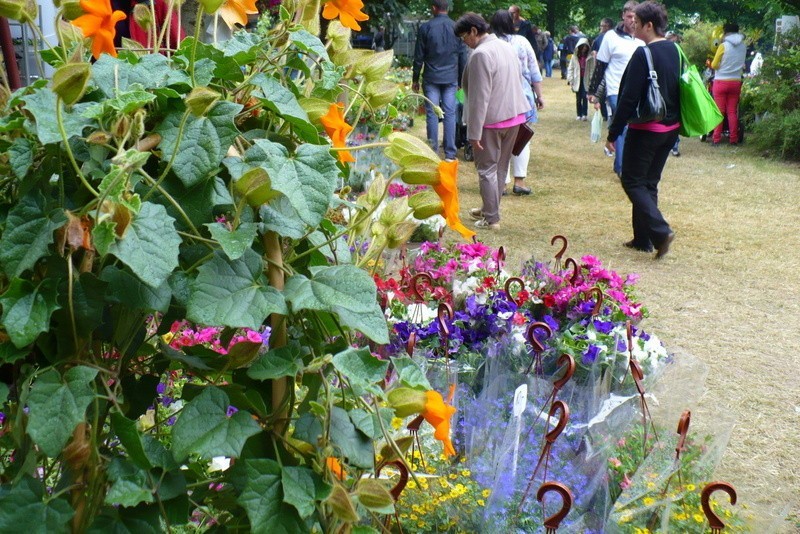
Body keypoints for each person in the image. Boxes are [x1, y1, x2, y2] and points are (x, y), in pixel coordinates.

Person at [605, 0, 679, 260]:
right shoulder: (675, 50)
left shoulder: (643, 53)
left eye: (636, 23)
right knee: (648, 182)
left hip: (647, 128)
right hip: (670, 128)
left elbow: (627, 98)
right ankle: (643, 239)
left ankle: (660, 231)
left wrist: (613, 133)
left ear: (649, 25)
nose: (632, 26)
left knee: (632, 181)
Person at [455, 12, 530, 230]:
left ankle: (492, 219)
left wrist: (473, 133)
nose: (464, 43)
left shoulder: (480, 54)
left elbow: (480, 98)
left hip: (491, 121)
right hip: (515, 117)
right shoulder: (506, 46)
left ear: (473, 32)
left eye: (463, 37)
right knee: (500, 167)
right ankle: (490, 208)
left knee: (487, 169)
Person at [489, 9, 544, 196]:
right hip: (523, 96)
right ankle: (519, 181)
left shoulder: (489, 44)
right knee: (522, 138)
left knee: (498, 139)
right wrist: (540, 96)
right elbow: (534, 71)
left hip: (496, 97)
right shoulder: (522, 42)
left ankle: (502, 182)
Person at [588, 1, 643, 177]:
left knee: (634, 126)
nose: (632, 20)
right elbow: (601, 66)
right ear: (623, 16)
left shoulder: (643, 38)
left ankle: (626, 163)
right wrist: (593, 91)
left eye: (636, 17)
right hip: (615, 88)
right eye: (629, 16)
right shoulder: (610, 37)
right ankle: (622, 168)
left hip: (638, 90)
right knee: (623, 125)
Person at [412, 0, 468, 161]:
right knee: (450, 113)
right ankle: (450, 153)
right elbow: (462, 55)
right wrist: (460, 80)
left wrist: (415, 78)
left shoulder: (426, 28)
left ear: (433, 8)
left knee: (432, 113)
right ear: (447, 8)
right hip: (451, 77)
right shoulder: (456, 28)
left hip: (431, 77)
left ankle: (432, 151)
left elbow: (418, 57)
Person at [710, 22, 746, 146]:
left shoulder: (723, 46)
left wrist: (720, 66)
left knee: (719, 111)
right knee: (732, 112)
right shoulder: (743, 46)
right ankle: (733, 139)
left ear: (726, 32)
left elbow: (714, 65)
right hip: (736, 81)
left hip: (721, 81)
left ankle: (716, 139)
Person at [567, 37, 590, 120]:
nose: (584, 49)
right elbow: (571, 68)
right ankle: (578, 114)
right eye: (583, 47)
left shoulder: (589, 57)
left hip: (585, 79)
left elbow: (591, 69)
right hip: (577, 79)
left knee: (585, 96)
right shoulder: (574, 57)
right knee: (578, 98)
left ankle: (584, 114)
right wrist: (570, 79)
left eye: (586, 47)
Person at [666, 30, 681, 155]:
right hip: (677, 86)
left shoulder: (667, 49)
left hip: (669, 86)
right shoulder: (678, 50)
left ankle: (673, 145)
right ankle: (674, 146)